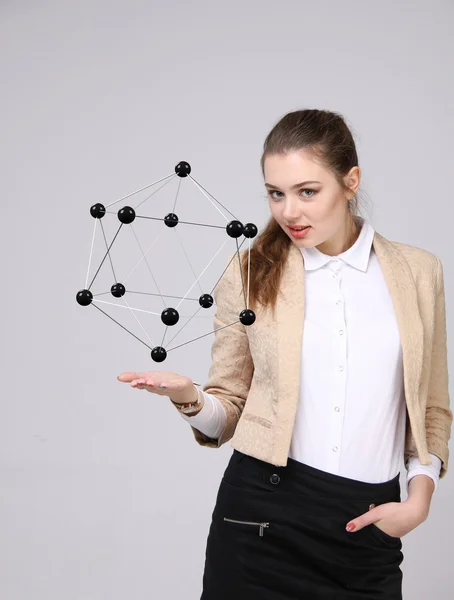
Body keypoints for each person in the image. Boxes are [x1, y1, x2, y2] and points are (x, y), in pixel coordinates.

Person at [117, 109, 452, 599]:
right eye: (276, 193)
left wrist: (418, 498)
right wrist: (189, 397)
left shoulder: (419, 272)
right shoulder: (249, 271)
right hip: (261, 518)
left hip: (367, 527)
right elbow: (226, 413)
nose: (289, 211)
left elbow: (431, 407)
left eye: (307, 191)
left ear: (350, 181)